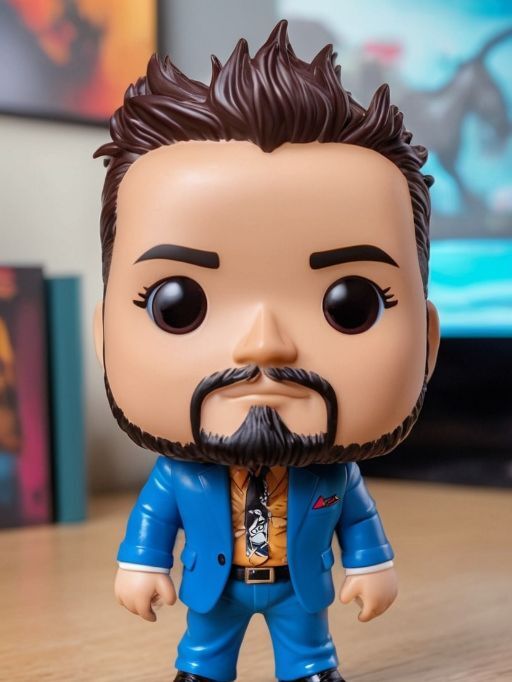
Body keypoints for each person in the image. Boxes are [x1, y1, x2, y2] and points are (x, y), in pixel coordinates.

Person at [93, 20, 440, 682]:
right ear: (102, 336)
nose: (264, 343)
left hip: (297, 590)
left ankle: (309, 670)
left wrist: (372, 565)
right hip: (214, 589)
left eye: (350, 304)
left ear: (428, 343)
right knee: (203, 657)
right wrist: (141, 565)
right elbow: (152, 519)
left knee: (308, 657)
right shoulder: (179, 472)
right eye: (178, 305)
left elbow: (359, 522)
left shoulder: (335, 475)